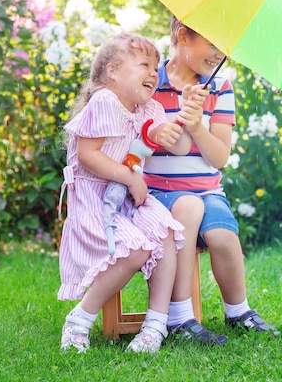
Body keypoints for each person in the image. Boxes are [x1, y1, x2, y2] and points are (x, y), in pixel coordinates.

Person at [143, 16, 280, 346]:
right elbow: (136, 140)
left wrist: (197, 127)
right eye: (213, 43)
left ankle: (238, 312)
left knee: (222, 236)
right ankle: (180, 316)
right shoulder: (150, 83)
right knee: (184, 221)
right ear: (183, 36)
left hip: (207, 190)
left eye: (226, 46)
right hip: (158, 193)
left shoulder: (221, 87)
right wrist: (174, 123)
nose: (221, 53)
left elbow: (219, 157)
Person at [58, 32, 193, 354]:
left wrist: (175, 128)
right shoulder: (105, 100)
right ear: (113, 72)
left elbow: (182, 148)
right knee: (135, 250)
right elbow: (89, 156)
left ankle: (155, 324)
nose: (153, 72)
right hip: (95, 201)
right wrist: (131, 179)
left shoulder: (150, 109)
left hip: (130, 202)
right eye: (145, 64)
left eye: (156, 67)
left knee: (164, 233)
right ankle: (79, 319)